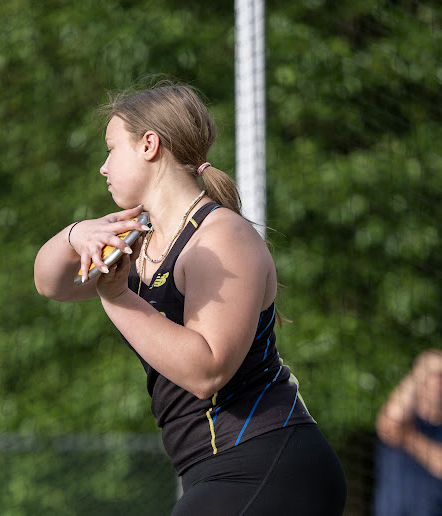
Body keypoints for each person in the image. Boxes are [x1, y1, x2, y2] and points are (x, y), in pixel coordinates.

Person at [34, 81, 346, 515]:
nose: (103, 168)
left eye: (111, 149)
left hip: (269, 462)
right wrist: (75, 234)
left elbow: (207, 370)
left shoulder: (220, 236)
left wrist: (117, 297)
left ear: (149, 145)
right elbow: (51, 283)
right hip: (214, 471)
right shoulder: (137, 240)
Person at [375, 349, 442, 515]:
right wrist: (421, 369)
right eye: (437, 378)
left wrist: (409, 438)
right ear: (420, 385)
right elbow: (389, 425)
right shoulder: (405, 421)